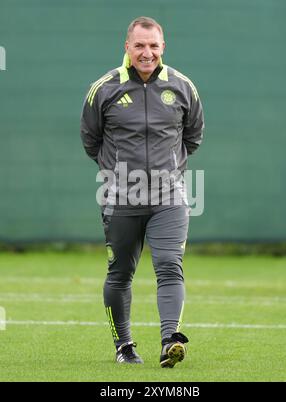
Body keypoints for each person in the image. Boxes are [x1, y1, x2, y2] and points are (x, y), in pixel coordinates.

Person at [80, 16, 204, 368]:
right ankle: (124, 346)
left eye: (153, 46)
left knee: (169, 265)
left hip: (169, 196)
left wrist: (170, 170)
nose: (146, 53)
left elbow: (193, 136)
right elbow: (91, 139)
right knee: (120, 274)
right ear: (127, 48)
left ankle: (170, 340)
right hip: (121, 196)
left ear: (163, 47)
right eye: (139, 46)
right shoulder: (104, 89)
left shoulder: (182, 87)